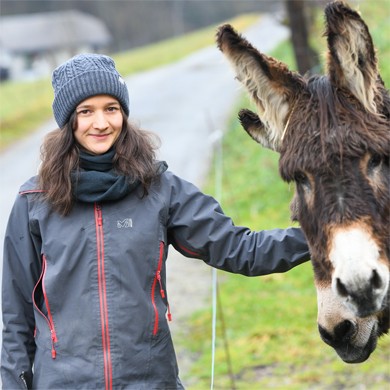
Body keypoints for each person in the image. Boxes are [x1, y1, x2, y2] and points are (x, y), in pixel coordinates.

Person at [1, 53, 310, 389]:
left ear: (124, 113)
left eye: (111, 108)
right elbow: (16, 315)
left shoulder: (161, 189)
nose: (101, 123)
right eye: (86, 111)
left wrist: (321, 237)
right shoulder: (34, 201)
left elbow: (240, 249)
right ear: (68, 120)